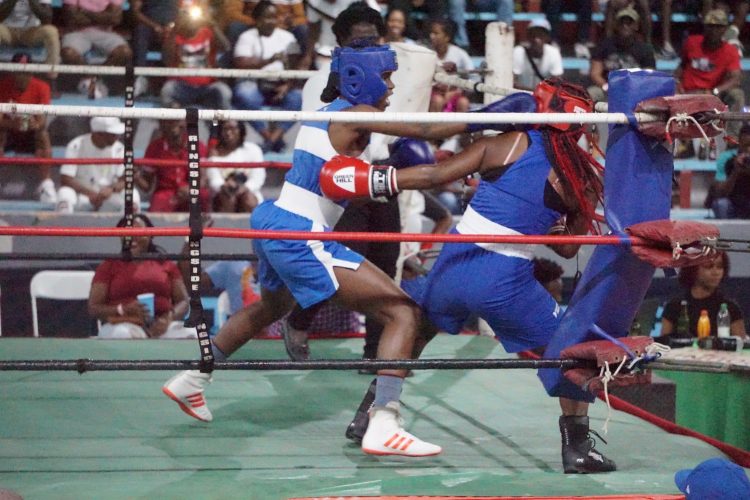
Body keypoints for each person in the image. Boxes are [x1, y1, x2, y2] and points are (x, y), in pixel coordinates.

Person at [161, 41, 513, 457]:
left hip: (275, 218)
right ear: (358, 79)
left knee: (273, 306)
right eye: (385, 78)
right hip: (300, 230)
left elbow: (347, 183)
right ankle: (384, 421)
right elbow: (423, 128)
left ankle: (193, 378)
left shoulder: (334, 117)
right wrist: (495, 115)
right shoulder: (352, 114)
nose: (392, 86)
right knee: (402, 313)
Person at [333, 78, 617, 473]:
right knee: (572, 350)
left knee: (415, 327)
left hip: (454, 264)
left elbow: (434, 176)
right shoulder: (578, 178)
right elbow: (569, 249)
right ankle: (578, 448)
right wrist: (553, 230)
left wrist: (375, 179)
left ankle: (370, 414)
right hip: (505, 280)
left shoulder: (509, 143)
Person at [88, 214, 196, 339]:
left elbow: (183, 301)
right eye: (126, 233)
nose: (132, 237)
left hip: (161, 325)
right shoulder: (109, 265)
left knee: (190, 333)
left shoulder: (166, 265)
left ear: (150, 235)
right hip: (123, 323)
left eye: (138, 231)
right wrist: (123, 310)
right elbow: (93, 307)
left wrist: (168, 318)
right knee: (122, 335)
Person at [231, 0, 304, 153]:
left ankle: (272, 139)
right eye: (266, 17)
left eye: (273, 17)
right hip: (256, 85)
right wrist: (269, 60)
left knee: (298, 97)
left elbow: (297, 67)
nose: (271, 21)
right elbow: (241, 63)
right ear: (257, 19)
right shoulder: (247, 36)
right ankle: (268, 136)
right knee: (244, 93)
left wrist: (287, 86)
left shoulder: (288, 37)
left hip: (280, 86)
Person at [675, 9, 744, 139]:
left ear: (725, 29)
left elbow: (736, 78)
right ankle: (676, 137)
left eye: (718, 27)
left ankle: (732, 138)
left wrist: (716, 91)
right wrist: (677, 82)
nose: (714, 31)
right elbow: (682, 65)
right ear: (705, 27)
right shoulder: (692, 42)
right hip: (687, 92)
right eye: (711, 26)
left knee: (737, 94)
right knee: (669, 88)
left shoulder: (730, 51)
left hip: (712, 94)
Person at [56, 116, 142, 213]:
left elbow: (125, 179)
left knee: (132, 194)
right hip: (83, 196)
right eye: (112, 134)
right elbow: (66, 179)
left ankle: (129, 226)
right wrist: (91, 194)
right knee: (65, 193)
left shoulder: (120, 148)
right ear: (99, 134)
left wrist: (111, 189)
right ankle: (64, 226)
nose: (117, 137)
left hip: (108, 197)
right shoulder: (77, 145)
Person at [0, 52, 53, 202]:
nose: (23, 76)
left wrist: (33, 124)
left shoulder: (42, 87)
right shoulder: (2, 86)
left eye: (26, 71)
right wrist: (13, 123)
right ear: (12, 71)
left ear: (32, 71)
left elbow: (42, 121)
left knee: (43, 134)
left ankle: (46, 185)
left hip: (31, 135)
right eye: (19, 71)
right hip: (9, 134)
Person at [160, 0, 232, 110]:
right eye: (186, 14)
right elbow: (166, 59)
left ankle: (223, 125)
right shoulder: (173, 34)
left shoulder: (207, 32)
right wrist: (175, 29)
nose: (190, 19)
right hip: (181, 85)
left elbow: (226, 47)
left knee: (224, 91)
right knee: (167, 90)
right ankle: (175, 124)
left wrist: (212, 25)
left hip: (207, 86)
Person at [660, 251, 746, 338]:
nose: (716, 272)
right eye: (708, 266)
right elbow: (663, 345)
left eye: (720, 267)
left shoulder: (730, 308)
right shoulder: (674, 307)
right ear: (693, 269)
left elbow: (742, 345)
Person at [136, 116, 210, 213]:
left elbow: (203, 179)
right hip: (165, 193)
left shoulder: (198, 146)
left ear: (184, 124)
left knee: (203, 195)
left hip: (192, 189)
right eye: (169, 122)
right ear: (161, 125)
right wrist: (134, 174)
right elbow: (147, 186)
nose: (174, 126)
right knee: (158, 203)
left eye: (176, 121)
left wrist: (191, 188)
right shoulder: (154, 147)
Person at [60, 0, 132, 94]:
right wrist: (104, 16)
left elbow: (115, 19)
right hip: (77, 32)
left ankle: (95, 78)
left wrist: (85, 12)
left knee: (125, 52)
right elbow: (72, 18)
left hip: (105, 33)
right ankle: (91, 78)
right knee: (68, 53)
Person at [588, 6, 655, 103]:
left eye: (629, 23)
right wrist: (607, 87)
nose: (625, 25)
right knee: (591, 93)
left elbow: (649, 76)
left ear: (636, 26)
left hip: (634, 90)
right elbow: (595, 73)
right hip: (608, 89)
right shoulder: (604, 45)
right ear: (616, 25)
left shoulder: (645, 49)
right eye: (622, 22)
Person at [206, 120, 266, 213]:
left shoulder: (253, 149)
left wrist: (243, 189)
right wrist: (225, 186)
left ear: (241, 131)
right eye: (225, 129)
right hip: (223, 194)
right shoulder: (214, 154)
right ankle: (226, 227)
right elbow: (214, 181)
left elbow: (258, 178)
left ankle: (253, 226)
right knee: (228, 198)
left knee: (248, 199)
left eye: (233, 129)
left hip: (249, 193)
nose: (228, 133)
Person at [0, 0, 60, 73]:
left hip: (30, 31)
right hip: (7, 30)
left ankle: (51, 74)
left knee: (51, 31)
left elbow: (47, 19)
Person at [428, 18, 473, 113]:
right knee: (438, 101)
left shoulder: (460, 54)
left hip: (455, 93)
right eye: (431, 33)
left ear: (447, 37)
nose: (432, 36)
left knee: (463, 102)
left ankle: (458, 128)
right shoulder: (426, 53)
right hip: (430, 94)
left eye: (436, 33)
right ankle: (433, 128)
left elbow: (473, 76)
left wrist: (458, 91)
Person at [707, 123, 750, 219]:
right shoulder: (729, 160)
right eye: (746, 146)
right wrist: (735, 171)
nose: (748, 150)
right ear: (740, 142)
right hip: (734, 203)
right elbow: (720, 192)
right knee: (721, 205)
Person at [512, 16, 564, 91]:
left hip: (544, 98)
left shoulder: (553, 53)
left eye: (541, 35)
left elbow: (557, 83)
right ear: (528, 36)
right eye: (533, 35)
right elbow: (512, 81)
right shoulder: (518, 52)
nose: (536, 39)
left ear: (547, 37)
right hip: (521, 97)